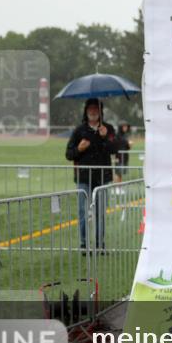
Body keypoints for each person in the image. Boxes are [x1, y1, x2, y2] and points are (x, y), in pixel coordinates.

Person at [65, 98, 117, 251]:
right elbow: (68, 154)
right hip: (83, 178)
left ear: (101, 112)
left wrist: (105, 137)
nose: (93, 111)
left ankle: (100, 244)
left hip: (102, 177)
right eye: (90, 109)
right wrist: (79, 150)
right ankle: (83, 244)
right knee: (83, 211)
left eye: (96, 109)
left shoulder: (108, 129)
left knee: (100, 212)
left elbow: (115, 149)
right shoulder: (79, 131)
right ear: (86, 111)